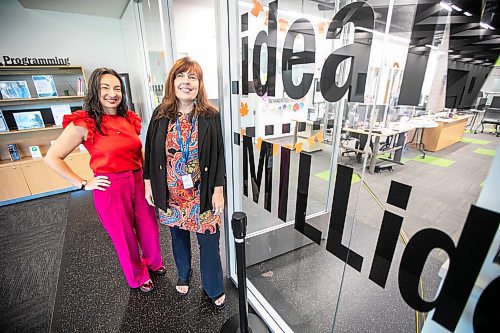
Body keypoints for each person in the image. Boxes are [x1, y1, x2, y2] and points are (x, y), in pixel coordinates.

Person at [44, 68, 165, 292]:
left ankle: (154, 263)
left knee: (149, 227)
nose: (112, 93)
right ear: (95, 91)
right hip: (110, 186)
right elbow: (52, 157)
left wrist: (149, 179)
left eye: (117, 88)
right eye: (105, 88)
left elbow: (139, 152)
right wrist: (82, 183)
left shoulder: (129, 118)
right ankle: (138, 276)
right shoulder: (84, 123)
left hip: (138, 181)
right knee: (124, 235)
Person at [143, 57, 226, 309]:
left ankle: (213, 286)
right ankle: (184, 274)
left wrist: (219, 189)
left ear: (200, 84)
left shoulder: (211, 116)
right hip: (171, 193)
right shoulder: (160, 115)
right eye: (181, 76)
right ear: (172, 82)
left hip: (202, 193)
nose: (186, 82)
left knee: (209, 242)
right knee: (178, 238)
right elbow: (150, 151)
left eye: (192, 77)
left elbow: (220, 154)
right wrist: (148, 183)